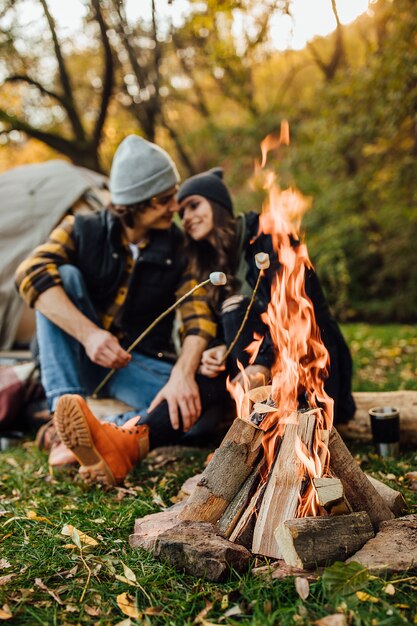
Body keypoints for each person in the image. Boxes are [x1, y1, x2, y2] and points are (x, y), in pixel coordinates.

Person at [15, 136, 226, 484]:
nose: (174, 206)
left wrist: (183, 374)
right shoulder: (82, 229)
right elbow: (29, 272)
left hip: (133, 363)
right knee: (59, 276)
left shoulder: (179, 247)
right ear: (134, 203)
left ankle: (101, 431)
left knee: (200, 410)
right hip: (74, 356)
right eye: (163, 199)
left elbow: (197, 313)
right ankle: (63, 415)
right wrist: (90, 334)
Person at [176, 168, 356, 425]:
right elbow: (235, 325)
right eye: (181, 213)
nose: (186, 217)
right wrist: (218, 347)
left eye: (193, 206)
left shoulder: (268, 236)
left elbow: (295, 310)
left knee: (234, 307)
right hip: (253, 374)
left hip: (314, 365)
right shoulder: (215, 262)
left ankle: (273, 419)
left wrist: (262, 363)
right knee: (195, 426)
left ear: (218, 205)